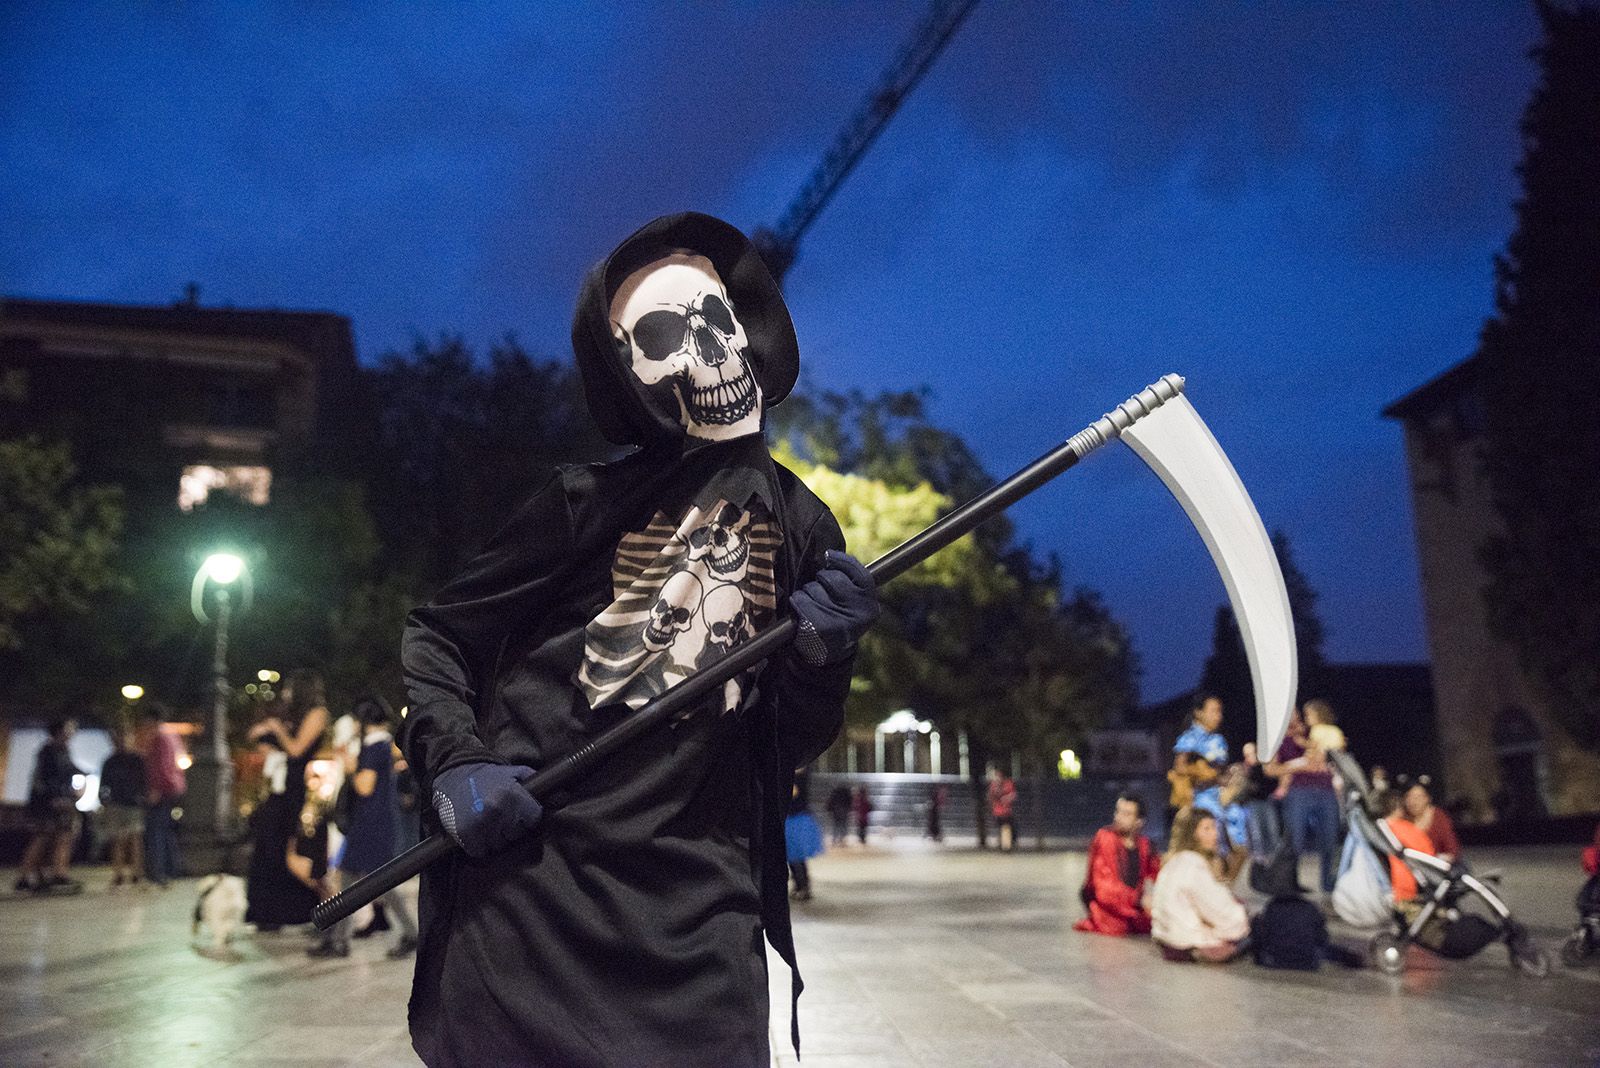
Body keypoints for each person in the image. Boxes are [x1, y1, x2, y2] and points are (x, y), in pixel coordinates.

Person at [399, 213, 877, 1068]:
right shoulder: (581, 503)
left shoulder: (805, 526)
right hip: (533, 909)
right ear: (628, 374)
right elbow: (439, 635)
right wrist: (455, 763)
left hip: (700, 923)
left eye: (716, 317)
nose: (708, 353)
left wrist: (822, 662)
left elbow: (787, 741)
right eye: (663, 335)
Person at [312, 696, 418, 959]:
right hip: (377, 823)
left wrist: (349, 766)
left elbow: (364, 786)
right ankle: (407, 933)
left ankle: (339, 940)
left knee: (354, 881)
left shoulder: (374, 748)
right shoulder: (383, 745)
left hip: (370, 825)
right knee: (377, 883)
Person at [244, 670, 329, 929]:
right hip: (280, 789)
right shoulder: (290, 714)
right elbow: (258, 739)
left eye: (291, 688)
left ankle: (310, 907)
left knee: (291, 849)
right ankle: (267, 913)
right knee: (268, 845)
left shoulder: (318, 713)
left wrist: (278, 730)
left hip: (298, 789)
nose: (286, 693)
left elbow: (296, 749)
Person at [1150, 807, 1249, 962]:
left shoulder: (1174, 861)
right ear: (1191, 833)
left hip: (1167, 936)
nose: (1215, 834)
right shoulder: (1192, 864)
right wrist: (1241, 915)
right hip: (1187, 940)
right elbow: (1219, 910)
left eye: (1214, 828)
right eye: (1207, 829)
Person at [1266, 701, 1342, 896]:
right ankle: (1288, 883)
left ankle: (1329, 884)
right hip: (1299, 790)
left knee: (1330, 837)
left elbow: (1328, 751)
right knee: (1295, 839)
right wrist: (1297, 765)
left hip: (1325, 789)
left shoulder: (1313, 731)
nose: (1292, 716)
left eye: (1294, 712)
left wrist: (1308, 743)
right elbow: (1270, 769)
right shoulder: (1278, 740)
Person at [1249, 847, 1362, 970]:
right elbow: (1322, 937)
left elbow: (1263, 935)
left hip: (1275, 959)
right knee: (1330, 951)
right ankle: (1355, 960)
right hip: (1307, 961)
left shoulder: (1271, 908)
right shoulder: (1310, 908)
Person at [1074, 793, 1159, 935]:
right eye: (1118, 811)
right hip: (1108, 913)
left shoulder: (1146, 845)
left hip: (1137, 911)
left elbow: (1156, 875)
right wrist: (1138, 900)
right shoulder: (1105, 838)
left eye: (1127, 814)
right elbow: (1104, 888)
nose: (1118, 817)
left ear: (1139, 821)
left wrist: (1151, 896)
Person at [17, 718, 84, 894]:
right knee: (57, 836)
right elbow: (44, 780)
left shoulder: (59, 750)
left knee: (49, 837)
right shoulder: (49, 751)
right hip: (49, 802)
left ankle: (33, 875)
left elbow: (71, 770)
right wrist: (55, 797)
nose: (72, 731)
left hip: (52, 800)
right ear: (60, 730)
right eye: (69, 727)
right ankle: (57, 875)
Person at [138, 704, 186, 888]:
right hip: (174, 788)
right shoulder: (172, 735)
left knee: (156, 831)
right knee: (166, 831)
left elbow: (162, 767)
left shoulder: (160, 738)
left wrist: (156, 789)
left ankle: (158, 873)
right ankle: (171, 870)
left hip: (163, 790)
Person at [98, 727, 148, 888]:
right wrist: (104, 799)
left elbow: (144, 781)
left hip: (133, 804)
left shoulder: (138, 760)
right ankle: (118, 873)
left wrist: (142, 797)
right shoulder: (110, 761)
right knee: (117, 840)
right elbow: (103, 784)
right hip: (116, 804)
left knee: (135, 838)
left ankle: (136, 872)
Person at [1374, 787, 1435, 906]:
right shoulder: (1406, 829)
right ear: (1400, 809)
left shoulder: (1379, 829)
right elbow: (1429, 853)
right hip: (1410, 886)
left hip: (1390, 886)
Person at [1168, 694, 1226, 818]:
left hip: (1222, 794)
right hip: (1199, 797)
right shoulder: (1189, 739)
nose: (1218, 716)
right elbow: (1179, 767)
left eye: (1220, 711)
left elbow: (1222, 768)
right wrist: (1201, 772)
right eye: (1214, 711)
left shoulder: (1218, 739)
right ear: (1199, 713)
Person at [785, 768, 824, 902]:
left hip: (796, 821)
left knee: (797, 858)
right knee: (793, 858)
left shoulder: (799, 778)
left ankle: (803, 886)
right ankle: (799, 885)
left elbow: (794, 794)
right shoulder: (795, 775)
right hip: (792, 819)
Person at [1403, 780, 1461, 864]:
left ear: (1427, 798)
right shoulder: (1403, 818)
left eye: (1417, 797)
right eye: (1409, 797)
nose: (1413, 802)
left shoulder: (1438, 817)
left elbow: (1452, 850)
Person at [988, 765, 1018, 852]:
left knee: (1009, 827)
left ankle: (1007, 844)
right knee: (1004, 827)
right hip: (998, 812)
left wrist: (1007, 798)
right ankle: (1004, 845)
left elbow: (1013, 795)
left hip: (1007, 811)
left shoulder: (1008, 783)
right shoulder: (994, 785)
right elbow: (991, 796)